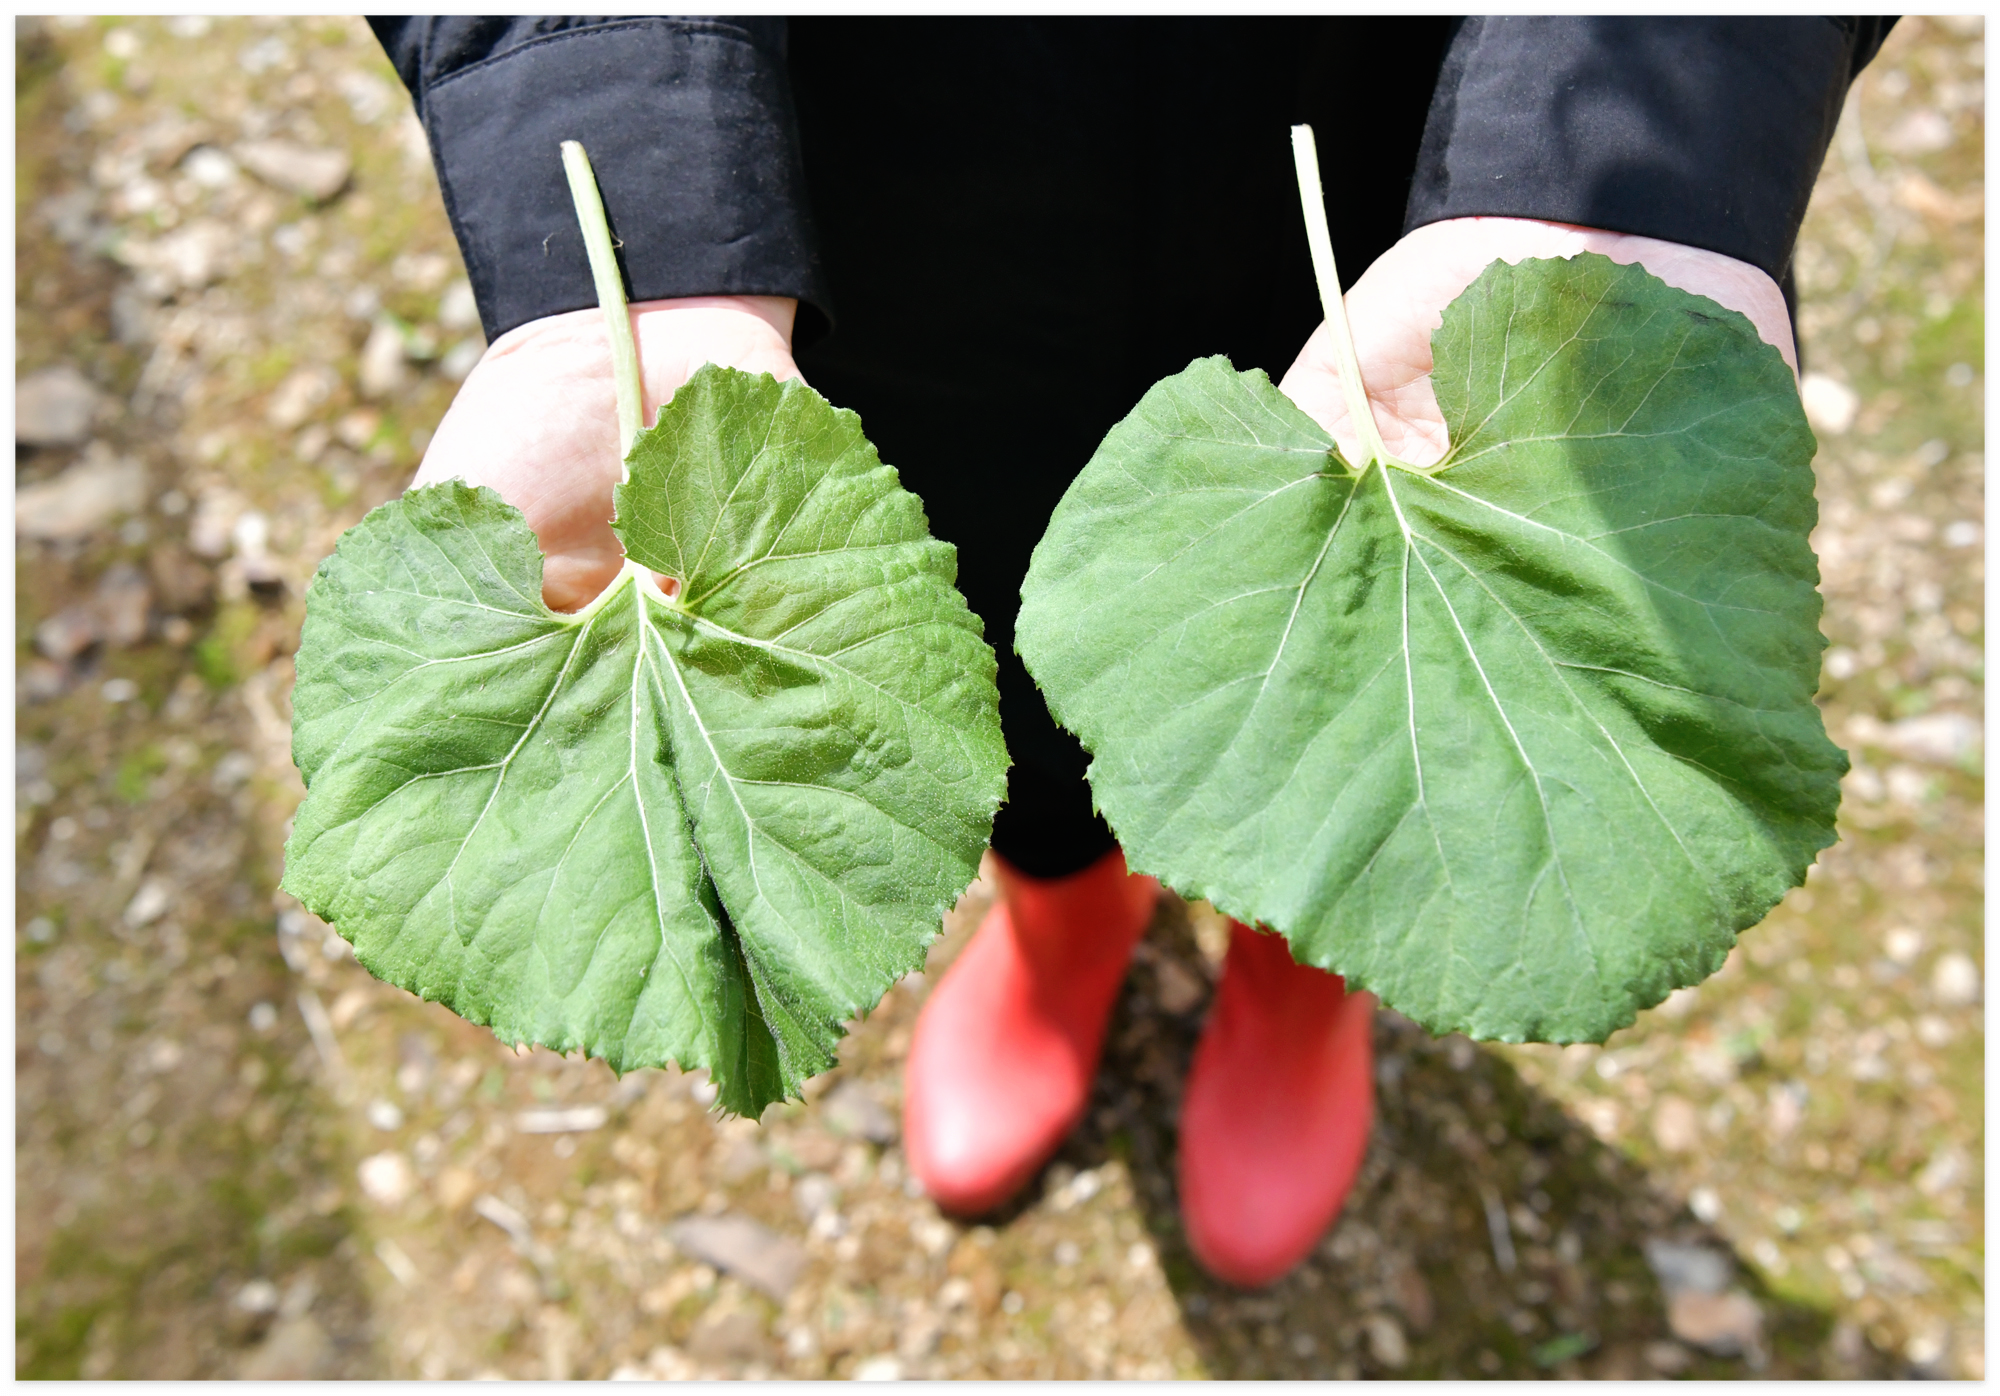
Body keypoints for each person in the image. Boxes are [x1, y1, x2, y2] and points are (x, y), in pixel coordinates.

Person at [370, 16, 1893, 1288]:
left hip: (1419, 121)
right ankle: (1062, 922)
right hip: (878, 149)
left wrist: (1626, 156)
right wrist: (627, 158)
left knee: (1372, 652)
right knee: (950, 596)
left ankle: (1311, 965)